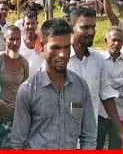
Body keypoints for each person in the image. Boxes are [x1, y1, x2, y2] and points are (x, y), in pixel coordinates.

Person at [10, 18, 97, 149]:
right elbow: (17, 143)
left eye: (66, 47)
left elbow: (89, 136)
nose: (62, 54)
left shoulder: (81, 86)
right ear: (42, 45)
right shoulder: (28, 90)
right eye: (55, 48)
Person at [68, 7, 123, 142]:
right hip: (63, 138)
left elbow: (105, 93)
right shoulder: (61, 59)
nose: (91, 32)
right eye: (85, 27)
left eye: (93, 27)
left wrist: (121, 133)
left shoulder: (97, 59)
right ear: (72, 28)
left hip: (89, 138)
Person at [0, 25, 29, 149]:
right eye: (11, 39)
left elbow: (25, 91)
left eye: (18, 39)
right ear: (4, 40)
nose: (15, 43)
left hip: (17, 120)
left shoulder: (24, 64)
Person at [97, 26, 123, 149]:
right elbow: (99, 84)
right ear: (106, 40)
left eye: (119, 40)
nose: (116, 43)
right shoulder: (98, 59)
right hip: (100, 114)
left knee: (115, 148)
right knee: (95, 146)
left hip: (120, 115)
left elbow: (106, 86)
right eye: (113, 40)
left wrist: (108, 84)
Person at [19, 10, 44, 79]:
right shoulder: (18, 43)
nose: (30, 26)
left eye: (33, 23)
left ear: (37, 24)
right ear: (23, 25)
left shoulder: (43, 42)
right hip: (23, 84)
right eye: (28, 23)